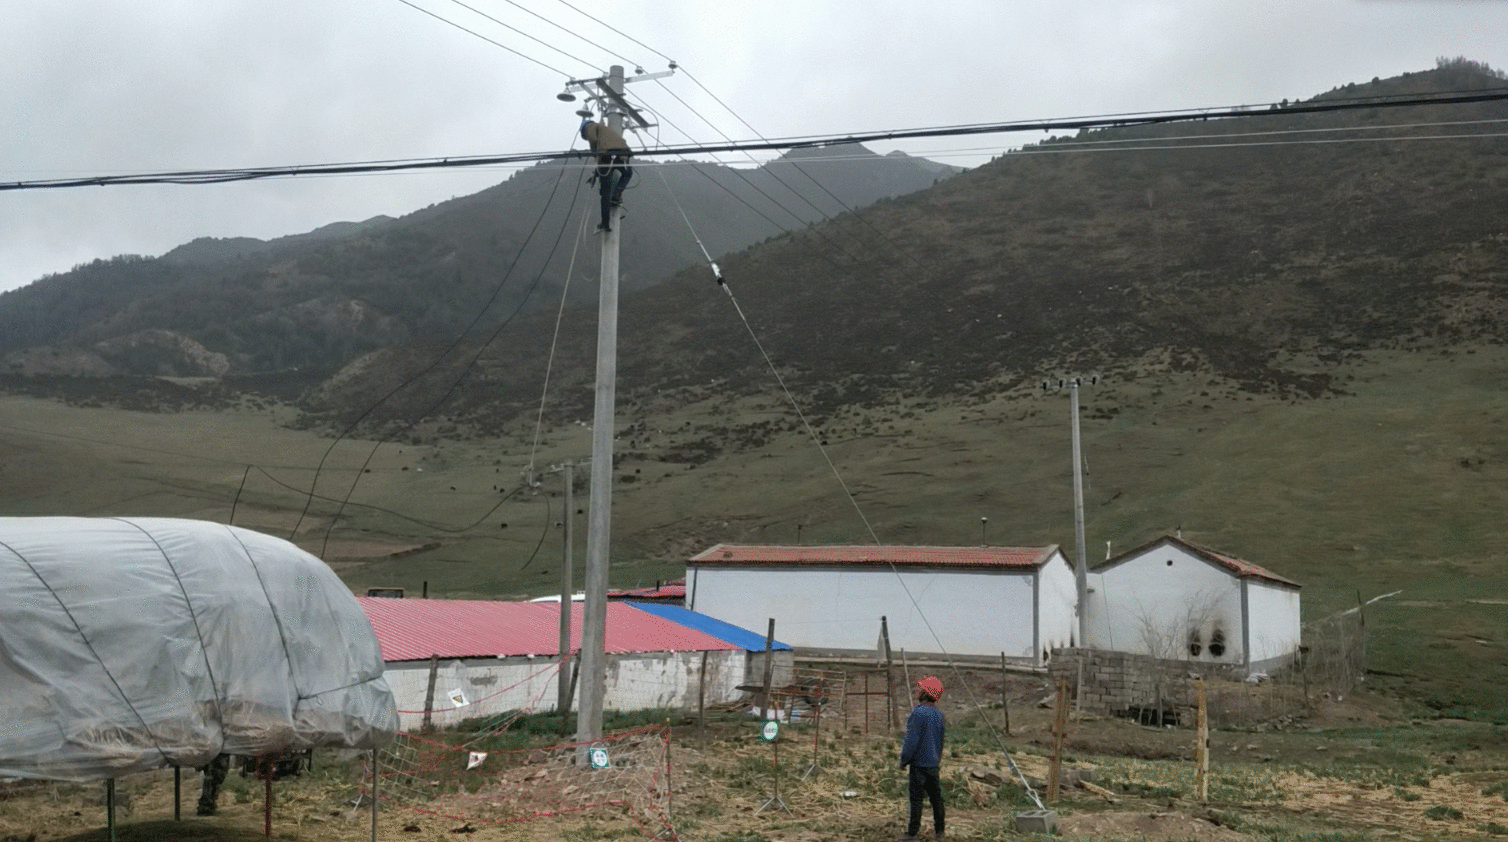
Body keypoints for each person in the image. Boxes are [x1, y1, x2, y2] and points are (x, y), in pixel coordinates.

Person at [898, 676, 945, 841]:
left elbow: (911, 741)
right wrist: (936, 760)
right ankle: (940, 832)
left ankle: (912, 834)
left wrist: (904, 760)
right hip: (933, 764)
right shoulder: (938, 714)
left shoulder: (918, 713)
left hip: (918, 765)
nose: (917, 691)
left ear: (926, 693)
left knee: (916, 799)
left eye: (920, 689)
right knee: (936, 798)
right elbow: (940, 742)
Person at [580, 118, 633, 232]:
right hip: (621, 153)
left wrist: (595, 153)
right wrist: (626, 154)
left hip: (606, 157)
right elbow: (621, 140)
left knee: (605, 192)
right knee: (628, 173)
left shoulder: (589, 127)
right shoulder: (607, 130)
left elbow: (593, 139)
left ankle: (605, 223)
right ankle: (616, 195)